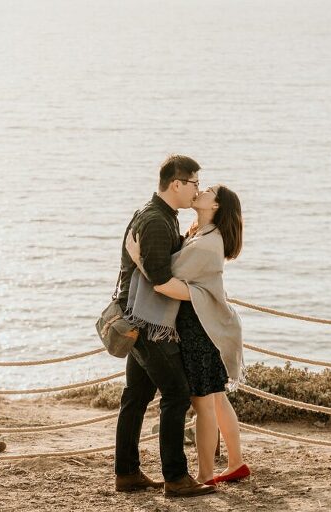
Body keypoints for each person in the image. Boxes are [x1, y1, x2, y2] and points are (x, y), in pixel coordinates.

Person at [125, 184, 250, 486]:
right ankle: (236, 463)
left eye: (207, 190)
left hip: (199, 329)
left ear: (216, 206)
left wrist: (137, 254)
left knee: (203, 402)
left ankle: (206, 474)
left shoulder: (207, 244)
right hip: (204, 324)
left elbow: (162, 279)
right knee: (216, 399)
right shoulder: (199, 234)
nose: (200, 191)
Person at [113, 155, 216, 498]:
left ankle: (127, 473)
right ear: (177, 183)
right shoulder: (157, 221)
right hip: (148, 322)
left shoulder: (157, 214)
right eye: (194, 184)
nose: (196, 190)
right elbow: (159, 279)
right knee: (176, 393)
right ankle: (175, 477)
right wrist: (202, 295)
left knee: (137, 396)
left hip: (137, 317)